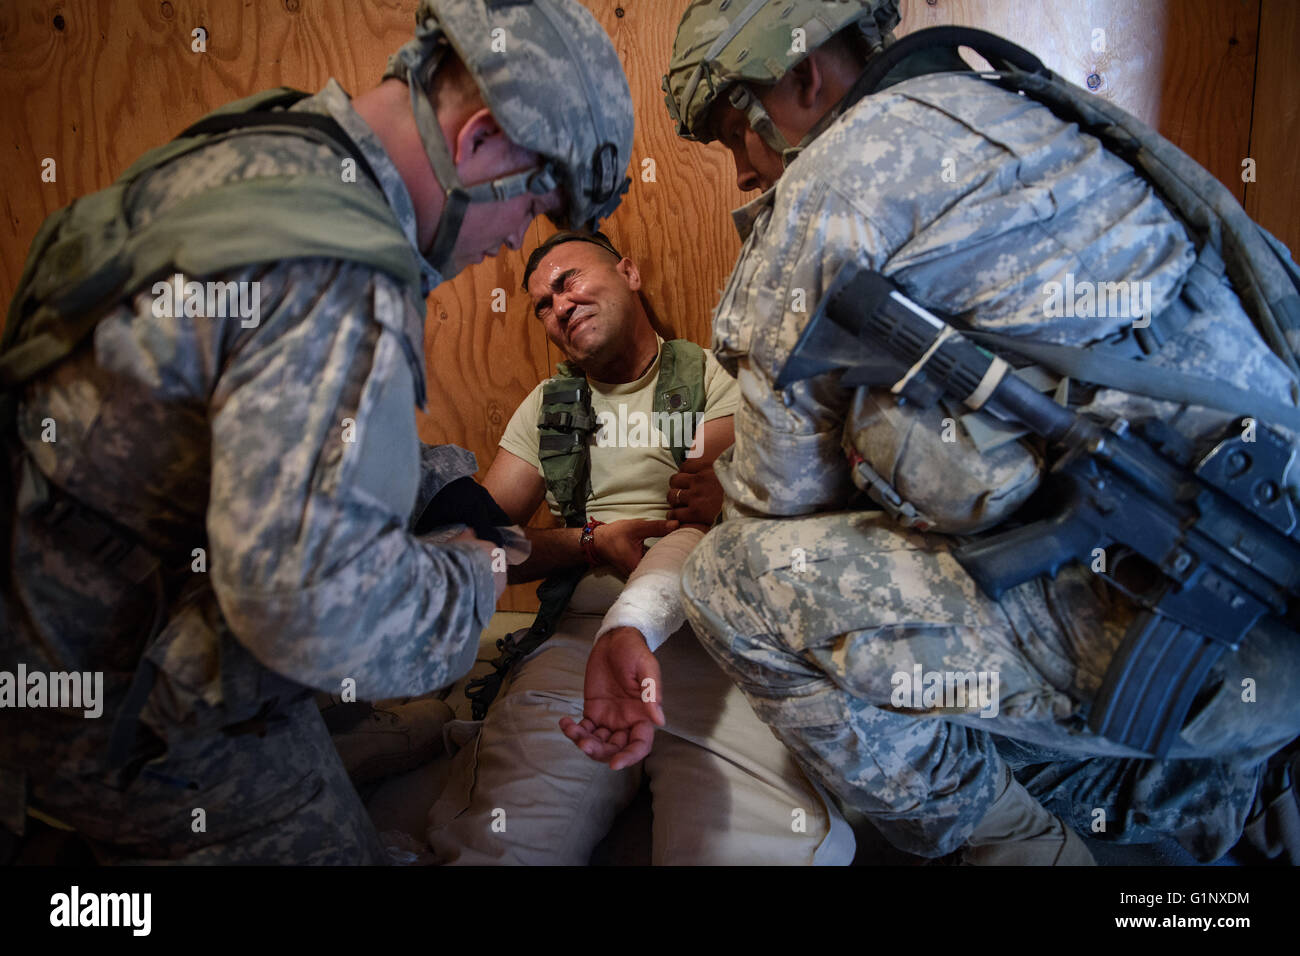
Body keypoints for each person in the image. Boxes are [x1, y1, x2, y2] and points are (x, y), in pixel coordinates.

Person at [660, 0, 1300, 864]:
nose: (742, 169)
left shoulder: (835, 183)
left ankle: (1024, 850)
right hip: (1263, 612)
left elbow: (779, 498)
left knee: (727, 585)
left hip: (1193, 616)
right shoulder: (1033, 109)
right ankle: (1211, 800)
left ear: (800, 76)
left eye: (736, 134)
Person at [0, 0, 633, 864]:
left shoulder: (252, 156)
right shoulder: (340, 268)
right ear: (481, 142)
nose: (515, 241)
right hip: (122, 714)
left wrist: (437, 491)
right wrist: (476, 569)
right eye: (534, 206)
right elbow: (320, 618)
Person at [425, 230, 854, 864]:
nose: (558, 307)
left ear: (629, 272)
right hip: (581, 642)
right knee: (504, 839)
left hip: (714, 642)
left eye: (568, 281)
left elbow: (701, 522)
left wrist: (640, 612)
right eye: (542, 305)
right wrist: (591, 542)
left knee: (768, 846)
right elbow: (490, 543)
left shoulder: (714, 376)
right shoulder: (549, 407)